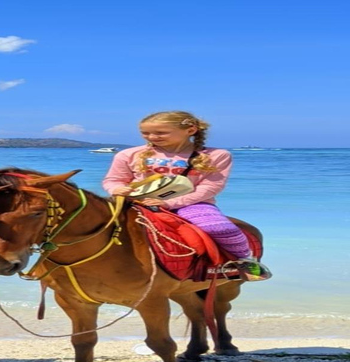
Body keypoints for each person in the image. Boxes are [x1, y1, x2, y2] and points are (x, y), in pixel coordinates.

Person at [102, 110, 271, 281]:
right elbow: (113, 180)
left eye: (160, 132)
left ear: (190, 130)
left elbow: (210, 187)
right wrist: (116, 189)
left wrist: (170, 203)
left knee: (221, 228)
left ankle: (245, 262)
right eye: (145, 133)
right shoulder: (128, 154)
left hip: (192, 203)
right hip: (136, 201)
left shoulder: (217, 155)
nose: (151, 137)